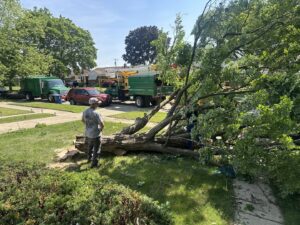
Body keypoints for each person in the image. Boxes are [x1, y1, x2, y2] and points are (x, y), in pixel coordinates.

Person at [82, 97, 104, 168]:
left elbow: (82, 120)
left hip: (88, 133)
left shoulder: (85, 111)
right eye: (97, 103)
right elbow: (102, 124)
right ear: (94, 104)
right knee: (96, 149)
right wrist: (100, 130)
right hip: (95, 134)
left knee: (90, 147)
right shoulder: (96, 113)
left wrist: (88, 125)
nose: (98, 104)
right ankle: (94, 164)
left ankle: (89, 159)